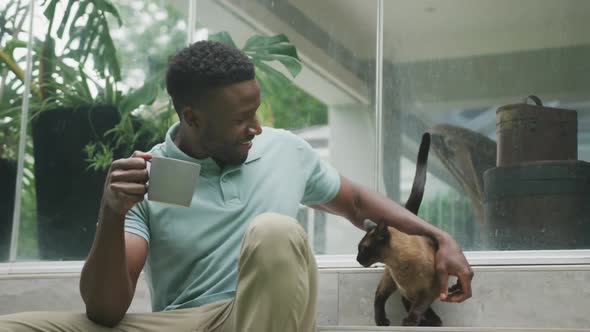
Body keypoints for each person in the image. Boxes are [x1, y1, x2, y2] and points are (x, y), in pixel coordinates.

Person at [0, 41, 473, 332]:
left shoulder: (286, 151)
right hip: (182, 322)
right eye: (241, 119)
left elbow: (356, 203)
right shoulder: (148, 175)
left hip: (265, 317)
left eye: (257, 112)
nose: (257, 128)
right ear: (192, 118)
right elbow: (106, 311)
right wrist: (112, 212)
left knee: (274, 231)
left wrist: (441, 237)